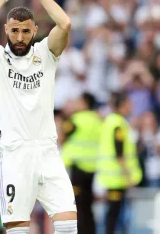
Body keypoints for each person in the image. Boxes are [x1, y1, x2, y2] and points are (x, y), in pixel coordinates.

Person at [0, 0, 77, 233]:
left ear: (34, 31)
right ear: (6, 30)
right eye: (14, 30)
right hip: (15, 155)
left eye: (25, 31)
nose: (20, 37)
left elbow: (64, 23)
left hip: (48, 151)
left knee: (68, 227)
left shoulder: (45, 54)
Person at [96, 93, 142, 234]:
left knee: (112, 214)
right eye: (129, 103)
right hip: (117, 178)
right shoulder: (118, 125)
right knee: (113, 216)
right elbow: (119, 153)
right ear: (122, 105)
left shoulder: (110, 121)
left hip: (111, 177)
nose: (132, 106)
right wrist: (128, 176)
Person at [61, 93, 102, 234]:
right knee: (88, 205)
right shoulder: (97, 120)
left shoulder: (76, 119)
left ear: (85, 102)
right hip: (92, 168)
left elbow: (62, 135)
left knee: (76, 205)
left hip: (77, 168)